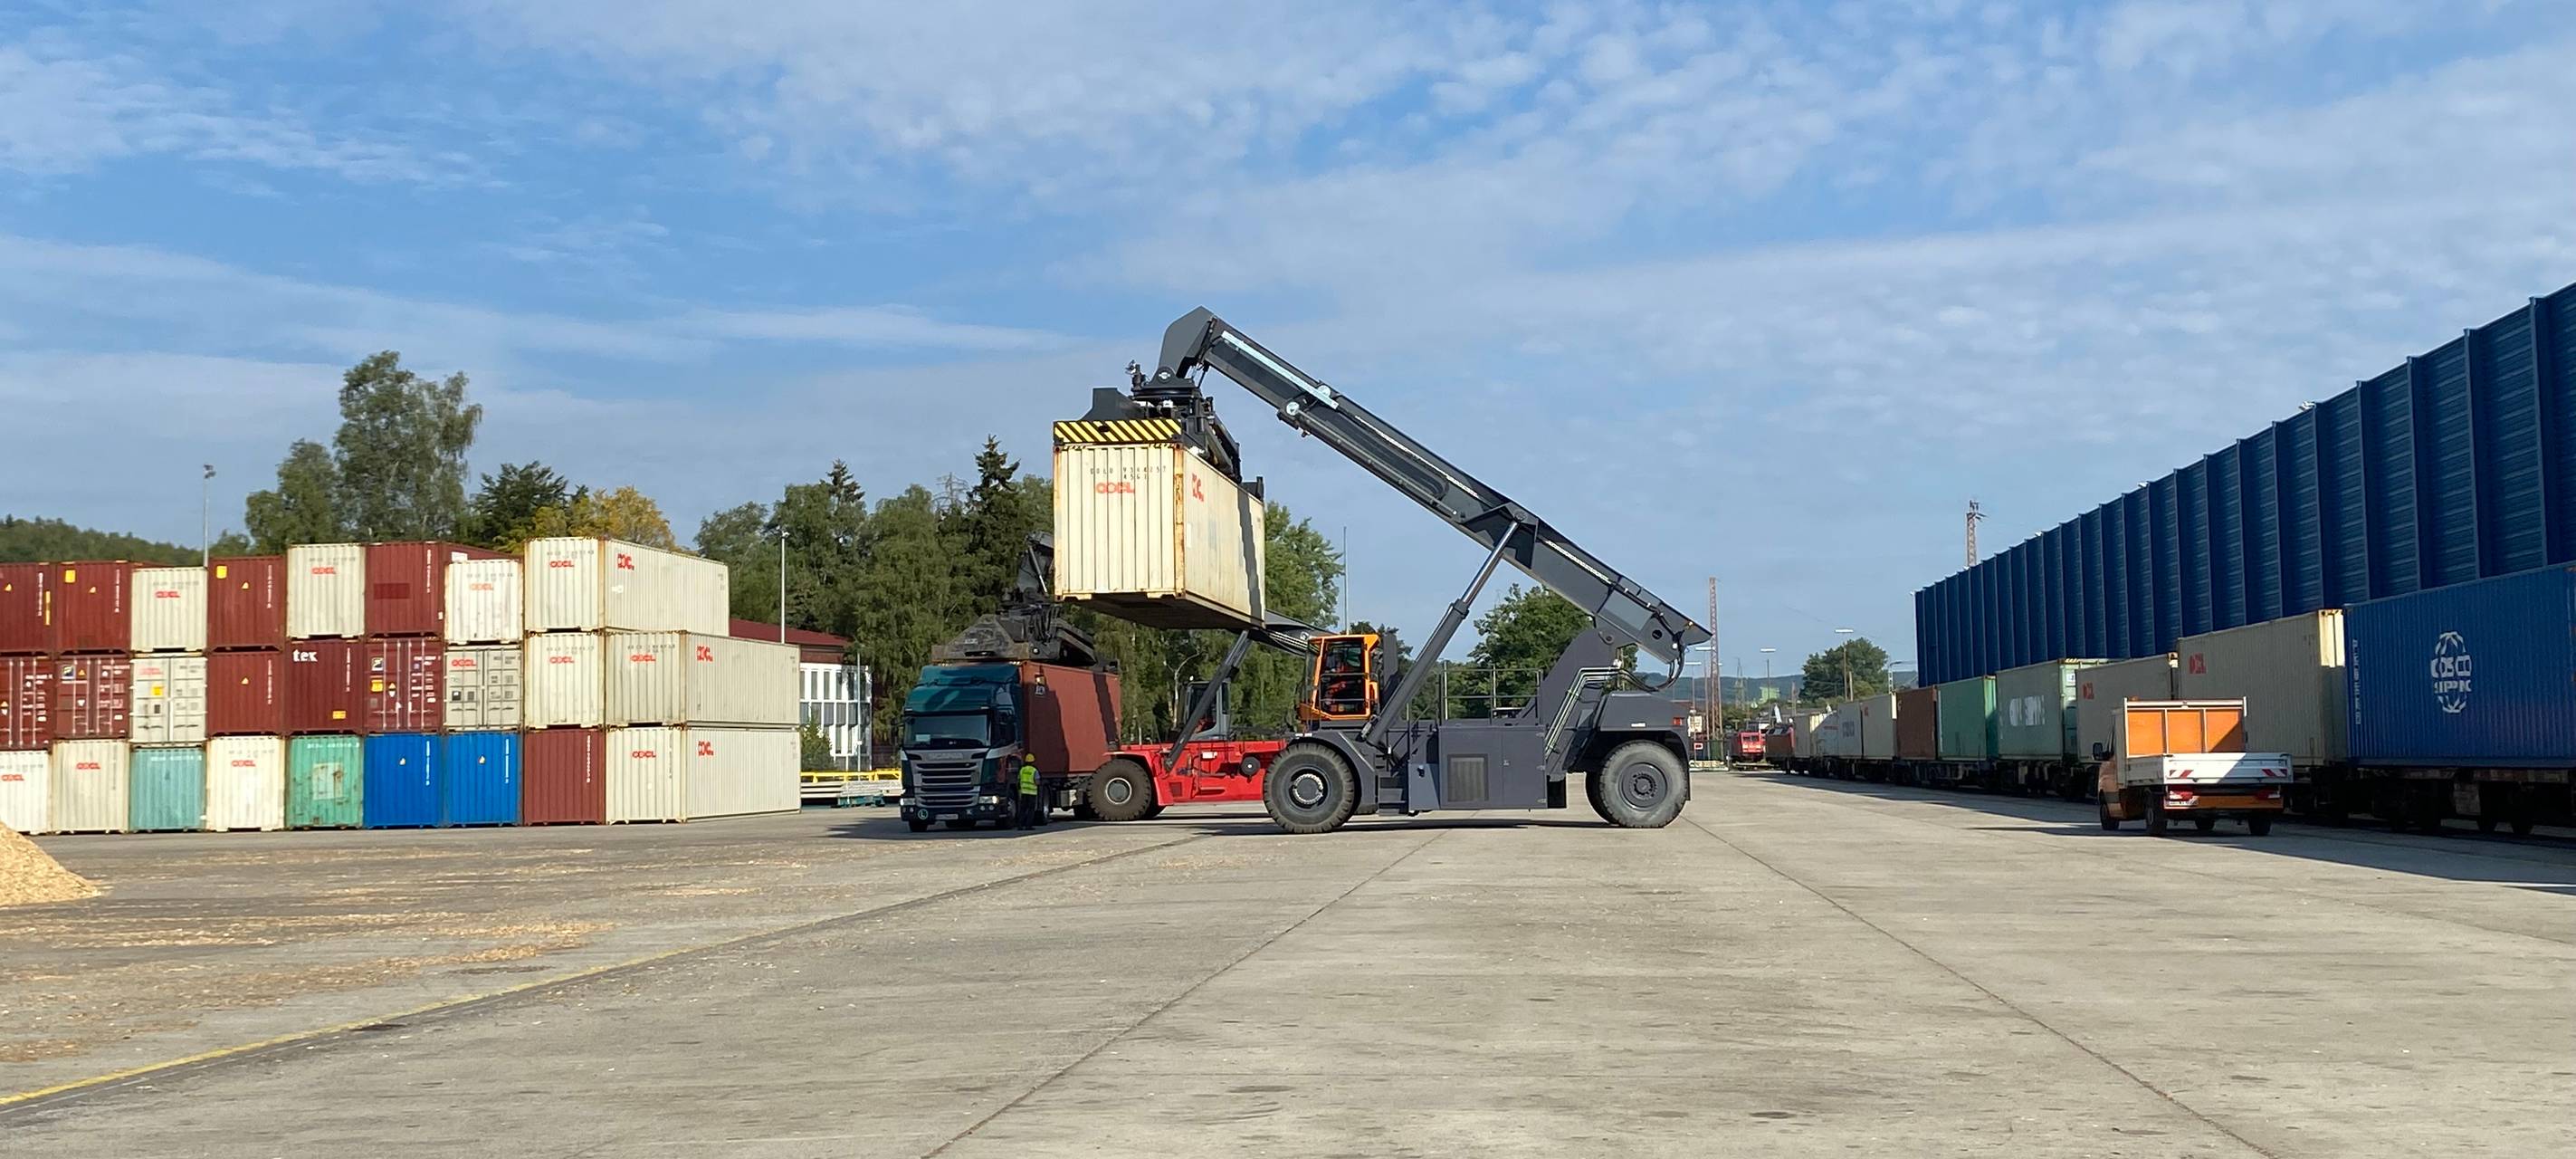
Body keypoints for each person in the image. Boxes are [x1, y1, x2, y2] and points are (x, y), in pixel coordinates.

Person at [1015, 757, 1042, 830]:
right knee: (1031, 810)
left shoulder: (1022, 770)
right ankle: (1028, 826)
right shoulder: (1034, 771)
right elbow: (1037, 782)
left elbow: (1018, 780)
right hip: (1032, 793)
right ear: (1033, 762)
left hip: (1024, 793)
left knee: (1023, 809)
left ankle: (1020, 826)